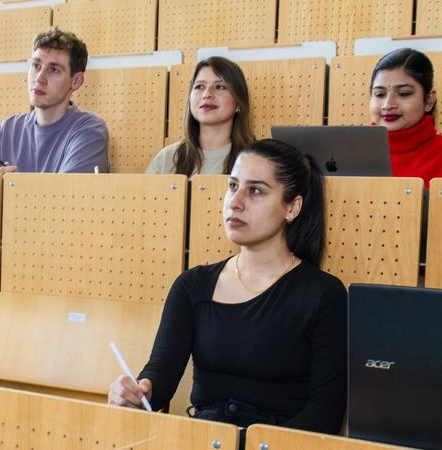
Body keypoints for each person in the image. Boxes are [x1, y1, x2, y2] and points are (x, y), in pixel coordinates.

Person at [109, 139, 347, 434]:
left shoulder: (324, 294)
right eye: (233, 186)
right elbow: (159, 379)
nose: (235, 202)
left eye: (256, 191)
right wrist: (134, 394)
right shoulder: (192, 285)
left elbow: (325, 411)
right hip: (206, 439)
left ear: (292, 208)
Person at [0, 27, 109, 174]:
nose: (39, 78)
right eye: (36, 66)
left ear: (76, 81)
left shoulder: (89, 130)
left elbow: (67, 195)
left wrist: (9, 187)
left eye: (53, 69)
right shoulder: (7, 130)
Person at [369, 48, 442, 188]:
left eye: (403, 93)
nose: (388, 105)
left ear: (429, 101)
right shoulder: (344, 156)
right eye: (379, 94)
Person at [147, 57, 255, 176]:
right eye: (199, 87)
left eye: (220, 87)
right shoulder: (166, 159)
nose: (207, 94)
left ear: (238, 103)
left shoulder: (257, 159)